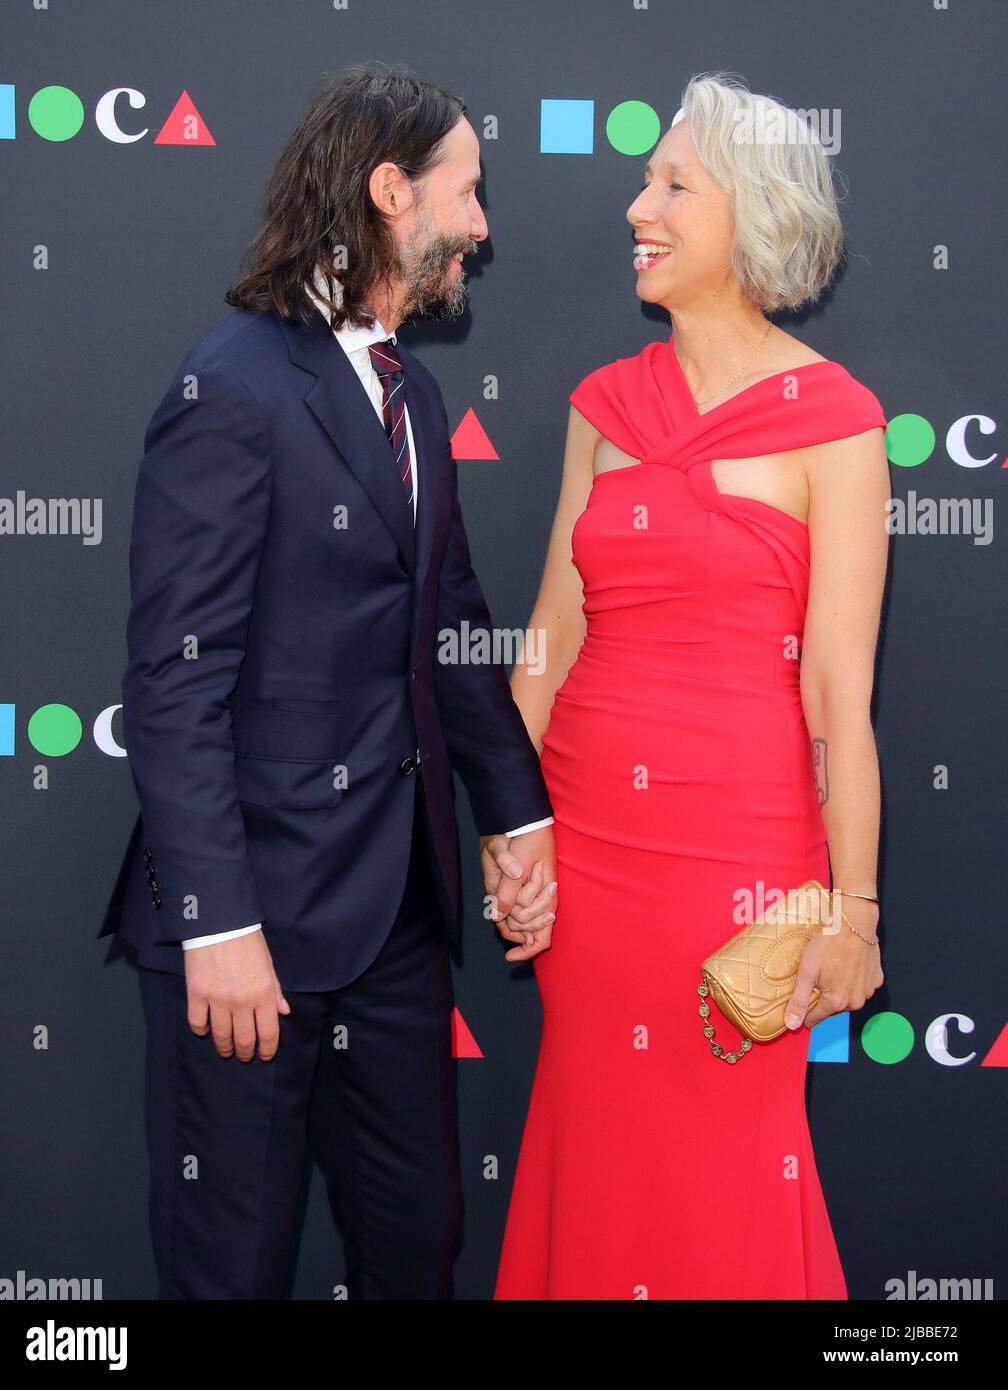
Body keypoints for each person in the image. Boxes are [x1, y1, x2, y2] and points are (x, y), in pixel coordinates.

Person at [100, 62, 557, 1300]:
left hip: (395, 922)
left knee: (417, 1249)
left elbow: (448, 628)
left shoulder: (416, 394)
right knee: (233, 1268)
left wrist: (516, 814)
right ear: (389, 191)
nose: (482, 226)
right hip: (251, 930)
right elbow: (175, 682)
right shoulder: (235, 385)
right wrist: (219, 924)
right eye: (467, 194)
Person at [493, 71, 889, 1300]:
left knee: (732, 1164)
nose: (636, 206)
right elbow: (549, 639)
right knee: (594, 1141)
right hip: (588, 857)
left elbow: (839, 693)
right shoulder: (604, 404)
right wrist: (519, 837)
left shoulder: (837, 420)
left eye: (674, 185)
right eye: (644, 179)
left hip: (744, 870)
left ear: (753, 216)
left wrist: (855, 909)